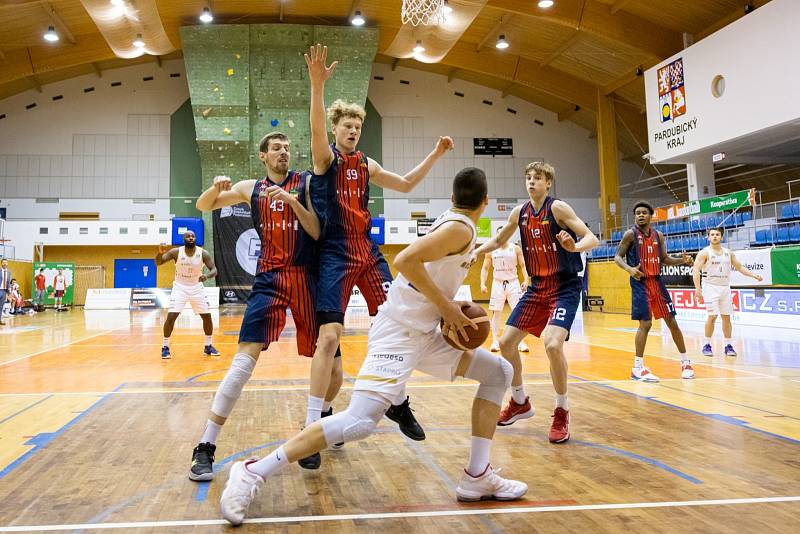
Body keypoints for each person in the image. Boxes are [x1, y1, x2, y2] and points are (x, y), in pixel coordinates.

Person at [220, 167, 528, 526]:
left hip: (423, 333)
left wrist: (446, 307)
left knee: (498, 372)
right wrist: (446, 307)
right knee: (359, 422)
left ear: (452, 199)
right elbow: (405, 261)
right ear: (486, 202)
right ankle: (252, 471)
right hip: (398, 332)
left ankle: (477, 476)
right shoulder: (459, 228)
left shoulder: (455, 221)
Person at [302, 44, 453, 464]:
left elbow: (404, 184)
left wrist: (436, 155)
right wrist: (317, 87)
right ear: (335, 129)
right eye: (346, 125)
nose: (352, 131)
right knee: (329, 337)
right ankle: (314, 425)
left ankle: (398, 401)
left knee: (401, 323)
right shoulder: (325, 160)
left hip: (369, 253)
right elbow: (315, 127)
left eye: (356, 126)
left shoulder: (366, 164)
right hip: (334, 253)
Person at [188, 131, 332, 481]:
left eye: (287, 148)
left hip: (305, 276)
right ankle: (205, 446)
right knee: (243, 360)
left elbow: (315, 231)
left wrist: (293, 201)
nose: (284, 152)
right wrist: (216, 186)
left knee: (331, 362)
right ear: (263, 156)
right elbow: (203, 206)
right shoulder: (251, 187)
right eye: (276, 149)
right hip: (268, 278)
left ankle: (314, 430)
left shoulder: (307, 183)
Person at [473, 162, 598, 443]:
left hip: (563, 286)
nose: (531, 182)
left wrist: (575, 247)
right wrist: (475, 253)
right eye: (528, 178)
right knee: (505, 343)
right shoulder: (520, 213)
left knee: (553, 344)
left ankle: (562, 410)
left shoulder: (558, 209)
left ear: (548, 183)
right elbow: (497, 240)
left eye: (537, 178)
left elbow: (593, 238)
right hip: (537, 287)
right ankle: (519, 401)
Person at [614, 201, 695, 382]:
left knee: (672, 322)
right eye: (637, 213)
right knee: (646, 324)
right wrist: (629, 269)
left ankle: (685, 362)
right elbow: (617, 257)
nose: (640, 215)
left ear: (651, 216)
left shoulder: (659, 235)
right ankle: (637, 367)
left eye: (644, 213)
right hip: (640, 282)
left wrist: (682, 260)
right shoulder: (630, 235)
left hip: (657, 282)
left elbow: (664, 259)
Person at [693, 226, 762, 357]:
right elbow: (696, 270)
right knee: (712, 316)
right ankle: (707, 344)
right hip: (710, 287)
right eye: (712, 234)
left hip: (725, 287)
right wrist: (698, 289)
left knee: (726, 317)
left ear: (721, 237)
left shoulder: (728, 252)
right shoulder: (704, 253)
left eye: (717, 234)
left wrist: (753, 275)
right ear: (708, 237)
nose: (714, 236)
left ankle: (728, 345)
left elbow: (740, 267)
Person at [156, 230, 220, 359]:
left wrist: (206, 276)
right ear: (184, 239)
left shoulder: (202, 253)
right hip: (180, 288)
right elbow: (158, 262)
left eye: (193, 236)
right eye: (188, 236)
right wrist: (160, 252)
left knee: (207, 317)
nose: (191, 238)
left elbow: (214, 270)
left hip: (197, 288)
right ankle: (165, 347)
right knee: (172, 316)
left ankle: (208, 346)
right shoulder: (176, 252)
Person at [480, 227, 530, 353]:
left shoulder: (515, 248)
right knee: (496, 313)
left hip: (513, 283)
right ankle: (495, 341)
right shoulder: (491, 251)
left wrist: (526, 280)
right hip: (497, 283)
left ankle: (521, 342)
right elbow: (485, 268)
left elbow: (523, 265)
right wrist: (482, 283)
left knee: (518, 312)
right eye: (499, 234)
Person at [0, 259, 9, 324]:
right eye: (4, 262)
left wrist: (8, 292)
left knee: (1, 306)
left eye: (6, 263)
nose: (5, 264)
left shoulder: (8, 272)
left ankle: (0, 320)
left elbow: (8, 282)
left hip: (4, 291)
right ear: (1, 263)